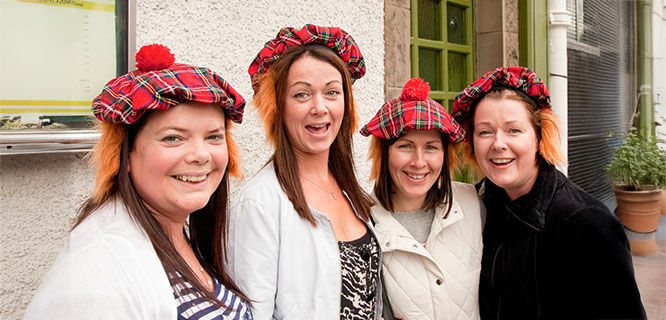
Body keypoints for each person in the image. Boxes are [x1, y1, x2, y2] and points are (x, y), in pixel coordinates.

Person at [24, 44, 252, 319]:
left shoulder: (178, 233)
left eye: (213, 137)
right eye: (173, 138)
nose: (201, 155)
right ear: (125, 154)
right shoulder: (97, 277)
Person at [451, 66, 646, 319]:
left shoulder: (585, 222)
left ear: (539, 137)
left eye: (514, 130)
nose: (498, 144)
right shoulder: (479, 205)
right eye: (485, 132)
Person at [226, 24, 382, 320]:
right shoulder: (258, 205)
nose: (320, 107)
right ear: (278, 107)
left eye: (332, 92)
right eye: (301, 95)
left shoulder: (347, 189)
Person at [360, 77, 484, 320]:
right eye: (405, 146)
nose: (418, 162)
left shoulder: (472, 203)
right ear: (383, 153)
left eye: (431, 147)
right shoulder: (360, 223)